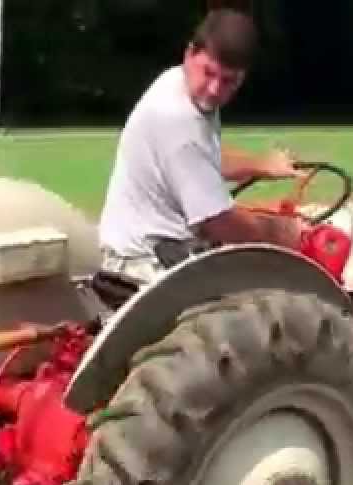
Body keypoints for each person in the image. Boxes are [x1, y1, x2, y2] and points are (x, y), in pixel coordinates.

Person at [97, 8, 306, 284]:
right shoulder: (177, 118)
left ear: (242, 78)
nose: (214, 89)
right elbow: (217, 221)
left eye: (228, 81)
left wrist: (263, 165)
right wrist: (281, 232)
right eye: (209, 73)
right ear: (189, 54)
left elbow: (206, 157)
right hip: (145, 264)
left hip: (156, 250)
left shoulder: (179, 84)